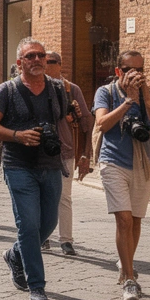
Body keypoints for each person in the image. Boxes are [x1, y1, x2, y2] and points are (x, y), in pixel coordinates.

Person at [0, 38, 68, 300]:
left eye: (41, 55)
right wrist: (17, 135)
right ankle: (37, 285)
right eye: (30, 56)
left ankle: (15, 254)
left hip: (51, 165)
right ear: (20, 63)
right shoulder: (7, 91)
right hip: (18, 165)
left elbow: (62, 121)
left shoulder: (57, 89)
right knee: (29, 225)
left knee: (49, 223)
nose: (37, 60)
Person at [93, 49, 150, 300]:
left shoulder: (147, 94)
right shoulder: (106, 92)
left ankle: (125, 265)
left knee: (134, 220)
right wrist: (128, 102)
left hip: (142, 163)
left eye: (141, 70)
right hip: (113, 162)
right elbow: (102, 124)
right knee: (123, 219)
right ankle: (130, 280)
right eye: (131, 69)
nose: (137, 74)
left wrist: (144, 97)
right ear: (118, 71)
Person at [44, 52, 89, 256]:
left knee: (64, 197)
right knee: (42, 196)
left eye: (50, 62)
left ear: (60, 65)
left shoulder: (72, 90)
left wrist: (86, 154)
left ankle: (66, 240)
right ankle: (42, 236)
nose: (45, 65)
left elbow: (88, 122)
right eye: (43, 61)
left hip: (66, 151)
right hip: (40, 151)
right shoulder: (36, 88)